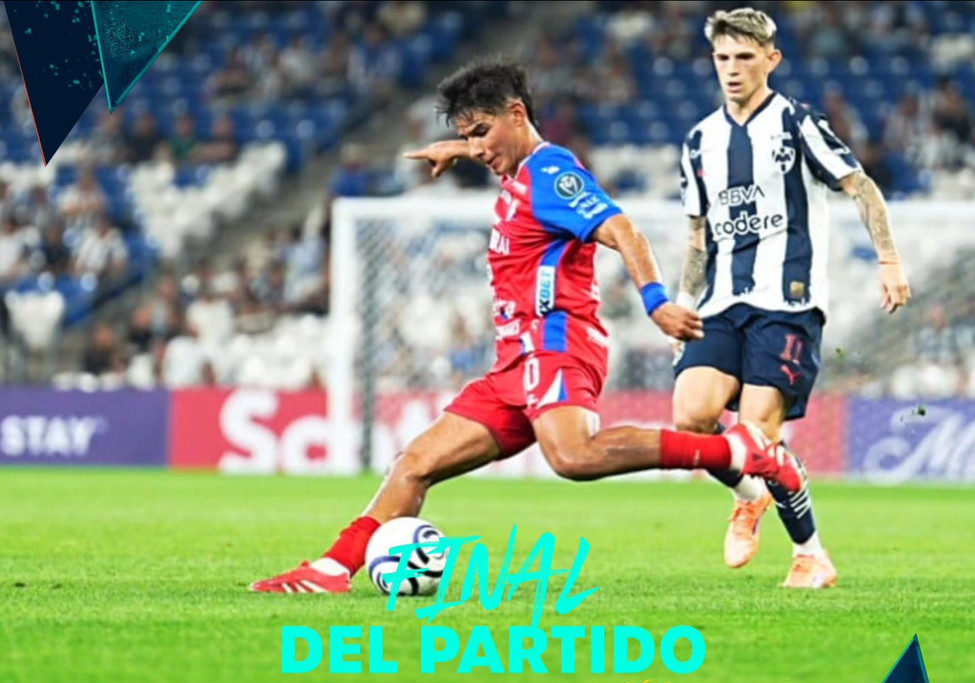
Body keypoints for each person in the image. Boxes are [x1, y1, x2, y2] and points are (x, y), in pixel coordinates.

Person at [251, 60, 800, 595]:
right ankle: (331, 570)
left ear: (517, 114)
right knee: (414, 464)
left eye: (481, 133)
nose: (478, 148)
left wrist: (656, 302)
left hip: (558, 341)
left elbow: (624, 230)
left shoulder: (552, 173)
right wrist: (459, 148)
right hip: (514, 360)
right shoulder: (517, 171)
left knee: (573, 456)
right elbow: (497, 152)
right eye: (468, 136)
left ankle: (738, 452)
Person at [670, 8, 911, 588]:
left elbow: (860, 186)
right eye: (723, 58)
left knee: (758, 435)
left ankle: (810, 554)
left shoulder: (797, 123)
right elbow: (699, 234)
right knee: (690, 418)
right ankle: (748, 495)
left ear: (771, 60)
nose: (732, 69)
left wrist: (888, 259)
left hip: (788, 301)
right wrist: (682, 300)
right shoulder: (699, 140)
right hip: (719, 302)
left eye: (745, 57)